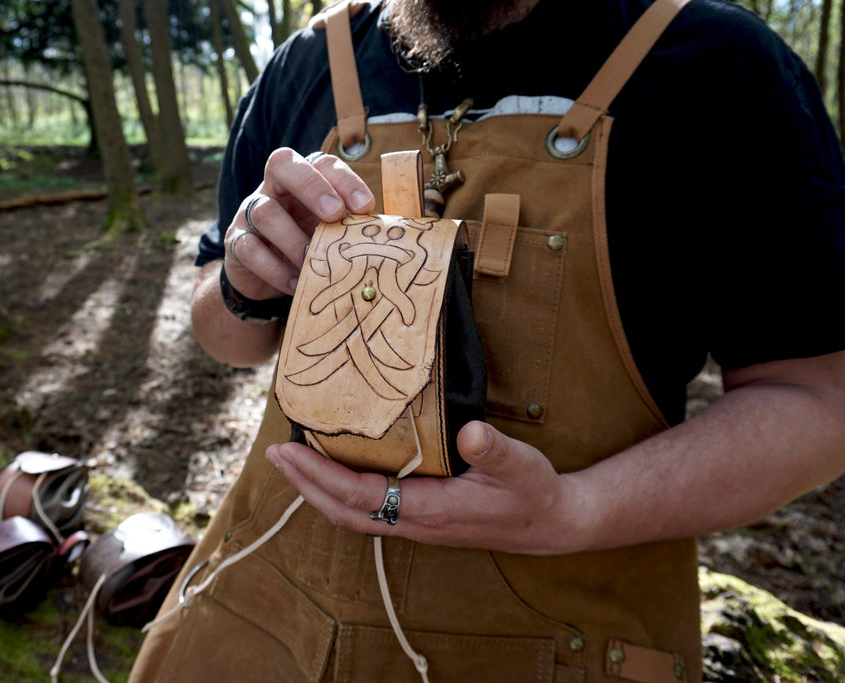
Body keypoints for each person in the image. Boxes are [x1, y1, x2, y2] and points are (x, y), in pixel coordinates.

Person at [131, 0, 845, 680]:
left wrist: (575, 509)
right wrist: (243, 280)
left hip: (560, 647)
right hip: (261, 624)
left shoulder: (716, 63)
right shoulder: (307, 65)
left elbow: (818, 399)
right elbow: (226, 337)